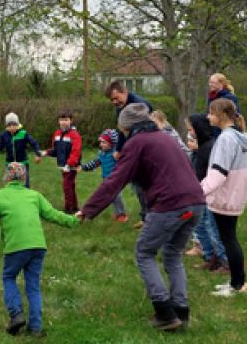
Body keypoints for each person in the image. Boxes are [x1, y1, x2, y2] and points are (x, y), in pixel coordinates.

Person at [76, 103, 205, 331]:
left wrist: (87, 210)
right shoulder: (166, 137)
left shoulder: (137, 143)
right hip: (196, 202)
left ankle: (165, 313)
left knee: (144, 252)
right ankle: (181, 313)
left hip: (170, 205)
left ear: (126, 127)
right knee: (173, 254)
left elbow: (115, 180)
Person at [0, 162, 78, 338]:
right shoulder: (34, 195)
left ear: (6, 178)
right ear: (24, 178)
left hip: (15, 247)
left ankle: (16, 314)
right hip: (38, 246)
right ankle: (36, 328)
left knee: (8, 277)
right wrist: (75, 220)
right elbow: (53, 214)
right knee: (33, 286)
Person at [202, 98, 247, 297]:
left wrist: (198, 192)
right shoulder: (237, 135)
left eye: (211, 113)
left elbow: (218, 174)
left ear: (221, 115)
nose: (208, 117)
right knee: (229, 238)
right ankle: (237, 282)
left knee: (229, 239)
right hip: (234, 195)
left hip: (225, 197)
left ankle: (238, 285)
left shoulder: (226, 138)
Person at [105, 79, 153, 226]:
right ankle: (146, 217)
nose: (114, 101)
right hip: (133, 149)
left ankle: (150, 218)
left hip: (146, 150)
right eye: (111, 99)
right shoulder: (120, 106)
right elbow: (122, 130)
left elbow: (148, 131)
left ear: (124, 92)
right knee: (138, 186)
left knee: (145, 186)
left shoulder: (139, 105)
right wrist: (119, 149)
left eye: (116, 97)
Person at [185, 114, 229, 272]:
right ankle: (211, 256)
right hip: (198, 192)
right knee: (201, 225)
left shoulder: (211, 147)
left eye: (191, 128)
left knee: (212, 227)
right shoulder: (201, 146)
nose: (189, 132)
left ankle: (225, 261)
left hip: (209, 193)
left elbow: (214, 173)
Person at [79, 129, 127, 222]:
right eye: (101, 142)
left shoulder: (115, 154)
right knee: (111, 197)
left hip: (116, 179)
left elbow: (124, 163)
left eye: (104, 142)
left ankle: (122, 214)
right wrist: (84, 167)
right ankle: (118, 213)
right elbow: (95, 163)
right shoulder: (101, 153)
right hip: (106, 179)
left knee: (117, 196)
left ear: (112, 144)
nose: (101, 144)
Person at [0, 113, 42, 188]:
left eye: (14, 125)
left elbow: (34, 143)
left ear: (18, 124)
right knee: (10, 185)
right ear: (7, 126)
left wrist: (38, 154)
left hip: (22, 163)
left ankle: (26, 198)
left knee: (25, 185)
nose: (12, 127)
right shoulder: (4, 135)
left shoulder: (23, 134)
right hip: (10, 164)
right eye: (9, 125)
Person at [44, 111, 82, 214]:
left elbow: (76, 152)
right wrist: (45, 153)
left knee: (66, 186)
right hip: (62, 166)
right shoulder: (57, 134)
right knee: (70, 185)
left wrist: (69, 164)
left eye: (66, 120)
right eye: (61, 120)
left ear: (71, 121)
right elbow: (55, 150)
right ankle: (74, 207)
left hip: (71, 166)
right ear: (58, 121)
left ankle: (68, 209)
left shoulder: (75, 135)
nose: (63, 122)